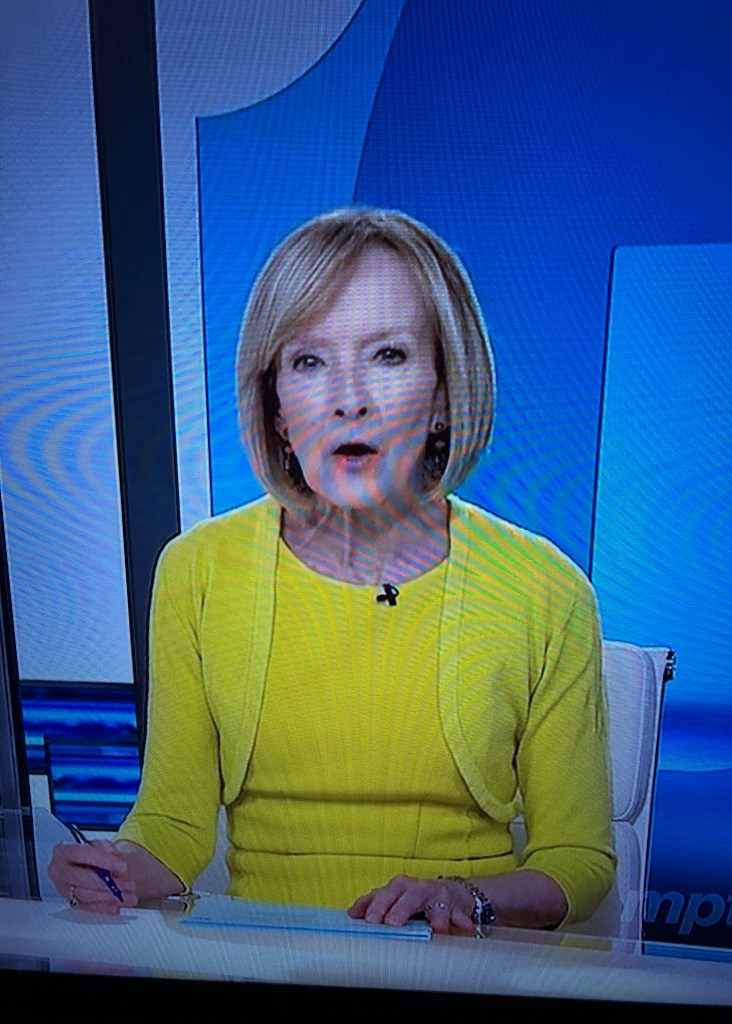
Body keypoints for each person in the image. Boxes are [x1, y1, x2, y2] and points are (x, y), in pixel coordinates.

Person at [49, 207, 615, 935]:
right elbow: (172, 825)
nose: (349, 399)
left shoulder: (544, 588)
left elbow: (577, 861)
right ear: (278, 408)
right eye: (309, 362)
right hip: (266, 970)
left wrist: (466, 898)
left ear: (445, 396)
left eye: (388, 355)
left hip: (461, 971)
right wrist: (118, 868)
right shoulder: (198, 572)